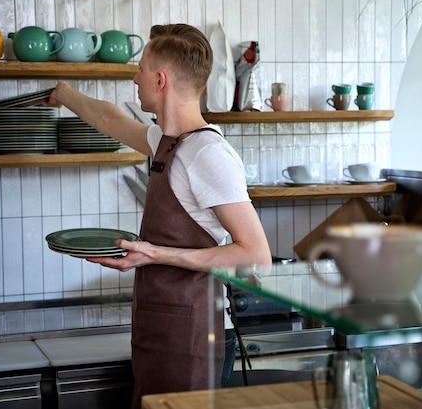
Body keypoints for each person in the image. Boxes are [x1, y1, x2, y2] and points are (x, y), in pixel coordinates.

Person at [44, 23, 272, 409]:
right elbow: (110, 120)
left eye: (142, 69)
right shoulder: (169, 144)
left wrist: (157, 254)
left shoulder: (207, 155)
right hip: (164, 326)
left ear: (160, 79)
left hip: (196, 335)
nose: (135, 77)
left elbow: (256, 255)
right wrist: (65, 94)